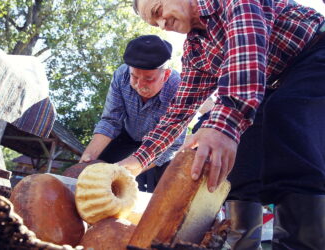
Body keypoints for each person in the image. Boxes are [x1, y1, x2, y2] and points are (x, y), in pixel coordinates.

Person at [117, 0, 325, 249]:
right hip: (268, 85)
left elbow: (247, 51)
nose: (163, 24)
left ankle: (302, 244)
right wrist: (136, 162)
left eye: (158, 11)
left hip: (315, 52)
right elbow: (178, 113)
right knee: (236, 154)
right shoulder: (196, 51)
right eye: (155, 23)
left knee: (286, 115)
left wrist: (222, 126)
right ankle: (243, 244)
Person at [79, 35, 185, 192]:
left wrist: (133, 168)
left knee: (166, 187)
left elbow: (173, 145)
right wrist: (87, 158)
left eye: (149, 79)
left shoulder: (180, 89)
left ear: (166, 75)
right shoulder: (121, 75)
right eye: (134, 76)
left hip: (161, 145)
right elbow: (110, 121)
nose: (139, 85)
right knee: (96, 170)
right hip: (127, 135)